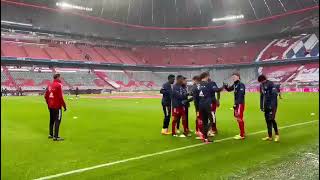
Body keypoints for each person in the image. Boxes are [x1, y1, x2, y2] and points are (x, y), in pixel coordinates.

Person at [197, 72, 222, 143]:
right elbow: (216, 90)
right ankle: (205, 133)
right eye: (208, 76)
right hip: (207, 105)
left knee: (204, 121)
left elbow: (195, 96)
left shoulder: (198, 85)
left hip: (200, 105)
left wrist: (197, 107)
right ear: (206, 76)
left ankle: (205, 139)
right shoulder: (208, 84)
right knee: (212, 120)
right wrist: (223, 86)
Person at [44, 74, 67, 141]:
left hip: (50, 106)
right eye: (60, 77)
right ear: (58, 77)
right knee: (58, 120)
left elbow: (45, 96)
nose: (60, 78)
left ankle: (50, 134)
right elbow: (60, 97)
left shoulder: (49, 85)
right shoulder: (59, 85)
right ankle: (56, 137)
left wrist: (48, 104)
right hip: (57, 106)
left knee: (51, 120)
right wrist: (64, 106)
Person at [223, 72, 246, 140]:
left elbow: (241, 95)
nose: (233, 78)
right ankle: (242, 132)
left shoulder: (241, 84)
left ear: (238, 77)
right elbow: (229, 89)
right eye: (233, 77)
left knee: (239, 118)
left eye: (235, 76)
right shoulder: (235, 84)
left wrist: (236, 104)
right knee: (237, 117)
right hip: (237, 103)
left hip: (240, 104)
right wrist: (226, 86)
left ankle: (242, 135)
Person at [258, 75, 280, 142]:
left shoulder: (271, 84)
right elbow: (261, 96)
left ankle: (277, 135)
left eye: (262, 81)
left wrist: (272, 105)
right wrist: (261, 106)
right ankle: (270, 136)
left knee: (272, 119)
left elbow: (274, 96)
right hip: (266, 105)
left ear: (264, 79)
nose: (261, 82)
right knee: (267, 120)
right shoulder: (261, 85)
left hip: (273, 105)